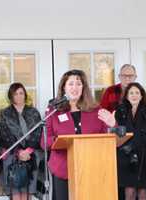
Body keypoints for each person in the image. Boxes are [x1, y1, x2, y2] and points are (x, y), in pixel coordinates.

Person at [41, 69, 116, 200]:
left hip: (91, 169)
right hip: (62, 169)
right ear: (64, 87)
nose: (75, 87)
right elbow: (44, 142)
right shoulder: (54, 111)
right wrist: (60, 140)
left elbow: (110, 139)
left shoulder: (95, 110)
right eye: (70, 84)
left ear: (84, 87)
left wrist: (113, 124)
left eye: (79, 84)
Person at [0, 82, 43, 200]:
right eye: (15, 93)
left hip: (31, 156)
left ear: (25, 95)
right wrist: (19, 152)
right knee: (16, 193)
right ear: (11, 96)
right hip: (13, 157)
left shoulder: (33, 112)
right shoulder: (5, 113)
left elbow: (38, 133)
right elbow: (5, 135)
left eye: (21, 93)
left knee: (28, 193)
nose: (19, 96)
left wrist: (28, 151)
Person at [115, 82, 146, 200]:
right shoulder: (120, 111)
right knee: (129, 192)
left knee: (143, 192)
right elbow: (118, 132)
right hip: (126, 157)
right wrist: (127, 147)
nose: (134, 95)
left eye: (137, 93)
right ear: (127, 96)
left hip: (145, 157)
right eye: (131, 93)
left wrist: (132, 144)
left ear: (141, 96)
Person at [100, 64, 137, 200]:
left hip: (134, 140)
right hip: (114, 140)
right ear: (119, 76)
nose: (127, 78)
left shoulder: (138, 91)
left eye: (130, 75)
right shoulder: (110, 91)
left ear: (135, 77)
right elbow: (102, 113)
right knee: (116, 182)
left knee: (133, 185)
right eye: (124, 75)